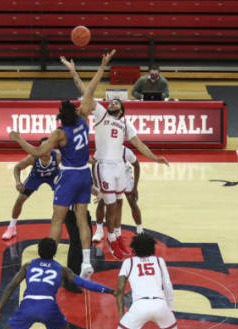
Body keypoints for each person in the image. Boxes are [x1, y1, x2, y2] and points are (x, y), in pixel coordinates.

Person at [10, 50, 117, 280]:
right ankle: (87, 263)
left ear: (61, 118)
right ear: (77, 111)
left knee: (57, 219)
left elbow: (38, 152)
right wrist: (99, 66)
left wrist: (19, 139)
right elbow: (90, 89)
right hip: (84, 176)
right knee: (82, 219)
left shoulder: (59, 133)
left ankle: (47, 264)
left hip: (68, 176)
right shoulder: (83, 118)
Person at [61, 56, 168, 260]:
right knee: (110, 205)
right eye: (112, 101)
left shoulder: (126, 125)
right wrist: (73, 72)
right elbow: (86, 91)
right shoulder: (102, 114)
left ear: (122, 110)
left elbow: (139, 144)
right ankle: (111, 239)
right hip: (104, 166)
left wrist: (155, 158)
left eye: (117, 102)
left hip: (120, 167)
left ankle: (118, 237)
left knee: (119, 203)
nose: (113, 103)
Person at [1, 138, 61, 240]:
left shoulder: (58, 155)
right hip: (36, 177)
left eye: (48, 147)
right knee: (20, 200)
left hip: (54, 176)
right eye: (43, 147)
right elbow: (17, 168)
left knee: (60, 205)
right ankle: (11, 227)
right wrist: (18, 182)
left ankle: (58, 229)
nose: (45, 150)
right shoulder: (33, 157)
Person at [93, 146, 143, 243]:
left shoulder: (125, 151)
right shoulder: (102, 148)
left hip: (124, 174)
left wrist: (135, 186)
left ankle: (140, 230)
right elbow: (94, 163)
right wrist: (96, 182)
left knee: (132, 201)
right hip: (107, 174)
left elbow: (136, 165)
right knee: (102, 201)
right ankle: (99, 231)